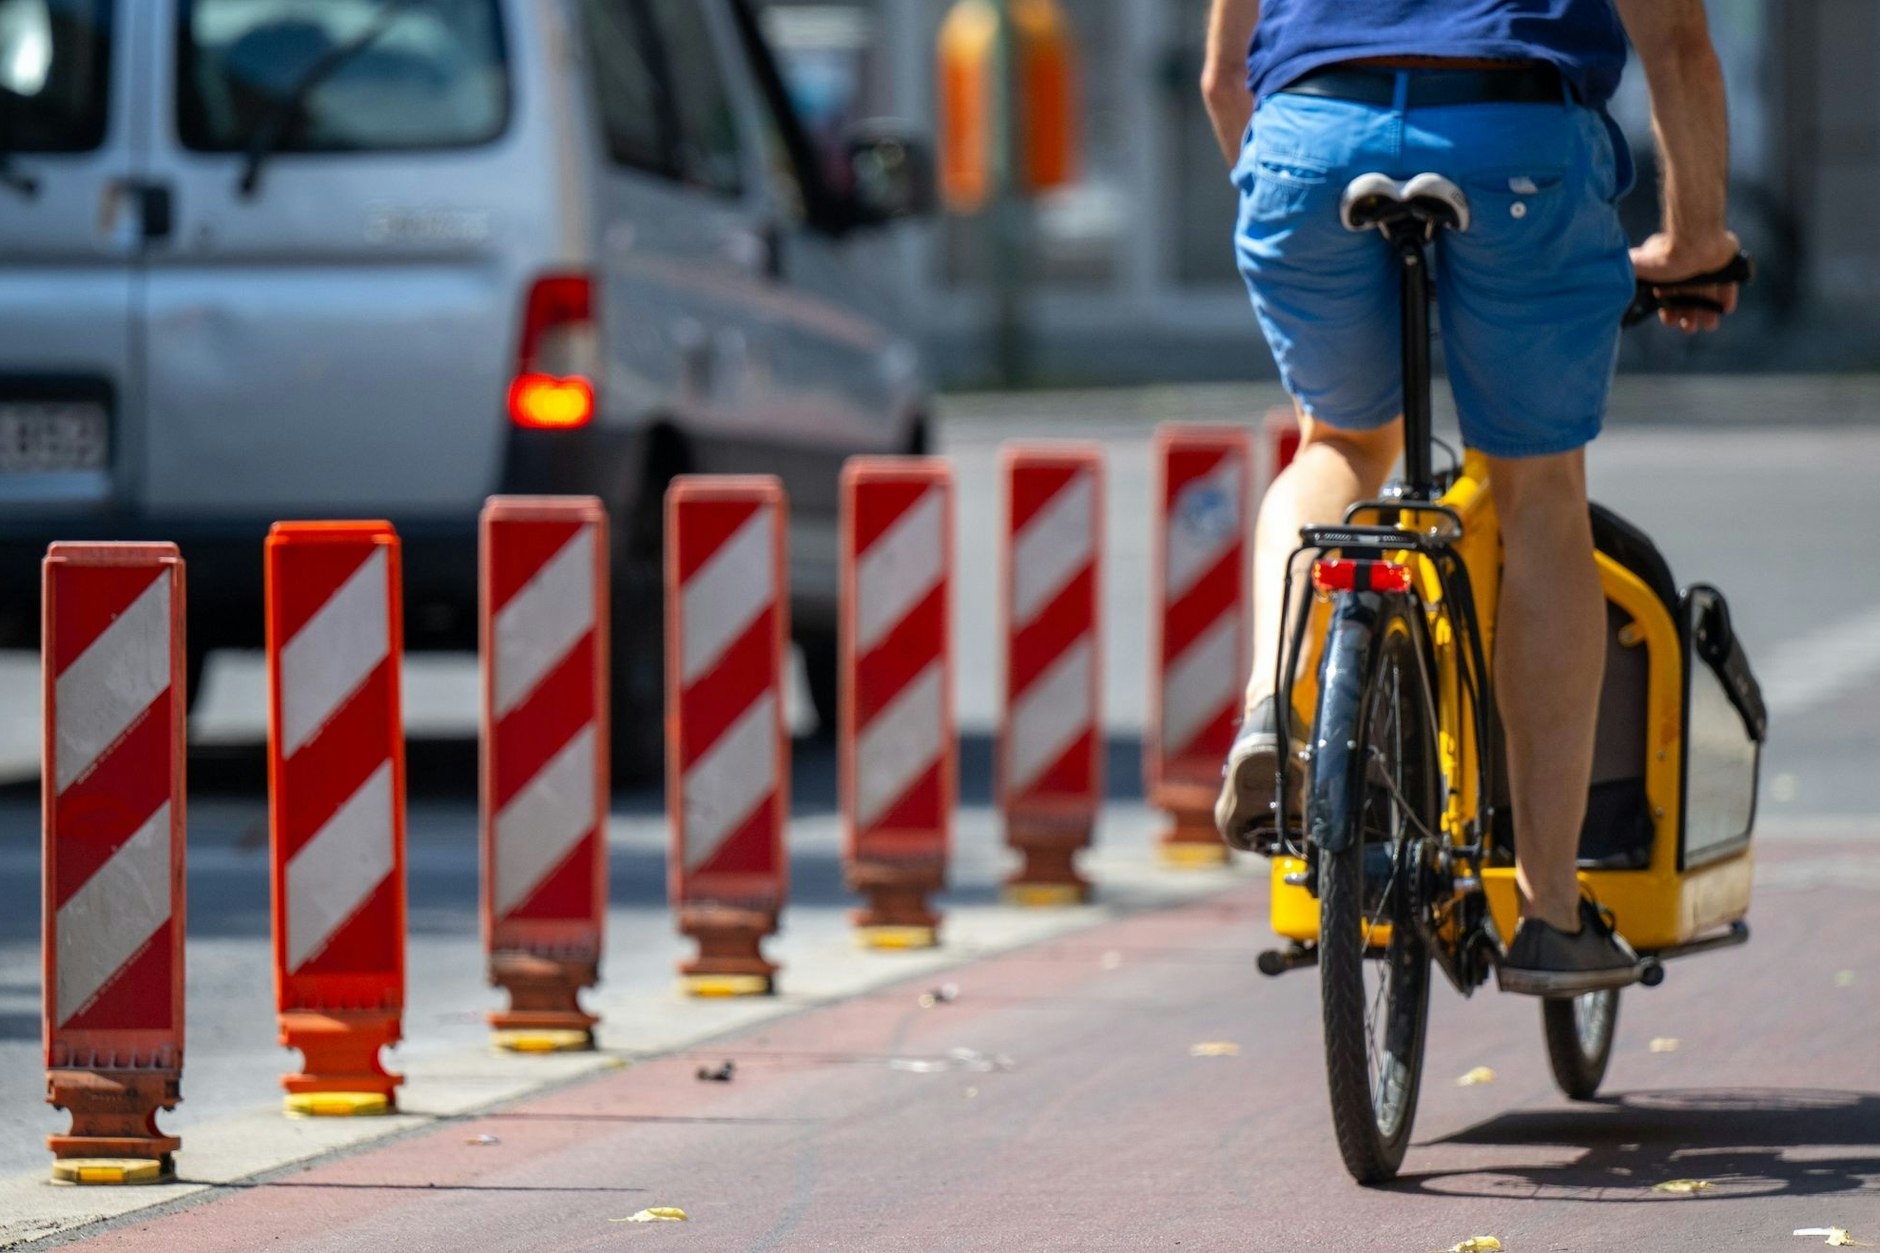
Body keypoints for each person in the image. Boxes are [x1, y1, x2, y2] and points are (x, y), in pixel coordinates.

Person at [1202, 0, 1741, 994]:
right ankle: (1547, 911)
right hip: (1514, 144)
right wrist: (1693, 241)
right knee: (1537, 491)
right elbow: (1675, 45)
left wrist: (1282, 188)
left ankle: (1271, 708)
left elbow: (1218, 76)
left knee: (1338, 444)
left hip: (1307, 135)